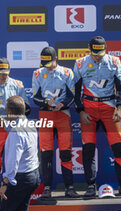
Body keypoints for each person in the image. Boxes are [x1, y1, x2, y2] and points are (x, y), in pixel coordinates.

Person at [73, 36, 121, 197]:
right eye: (94, 53)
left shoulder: (114, 61)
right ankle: (91, 185)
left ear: (106, 48)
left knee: (118, 146)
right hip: (89, 108)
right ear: (89, 48)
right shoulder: (80, 63)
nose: (97, 56)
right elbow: (75, 89)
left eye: (100, 52)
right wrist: (81, 110)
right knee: (88, 148)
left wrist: (119, 108)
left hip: (109, 107)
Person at [0, 57, 31, 211]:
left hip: (14, 129)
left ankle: (11, 202)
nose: (2, 77)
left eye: (5, 74)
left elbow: (27, 108)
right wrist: (0, 119)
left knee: (14, 164)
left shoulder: (18, 85)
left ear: (9, 71)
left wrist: (13, 118)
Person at [32, 46, 79, 198]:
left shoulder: (67, 73)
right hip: (45, 115)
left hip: (63, 115)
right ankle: (47, 188)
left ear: (55, 59)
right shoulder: (38, 73)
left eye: (49, 63)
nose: (46, 67)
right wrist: (46, 102)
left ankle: (69, 188)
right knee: (46, 154)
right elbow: (35, 97)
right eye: (44, 63)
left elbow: (72, 95)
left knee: (65, 153)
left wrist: (62, 104)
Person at [0, 96, 40, 211]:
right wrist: (2, 121)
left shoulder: (16, 132)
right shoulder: (29, 124)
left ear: (10, 111)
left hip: (20, 178)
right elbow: (14, 128)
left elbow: (12, 162)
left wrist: (5, 183)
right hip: (33, 176)